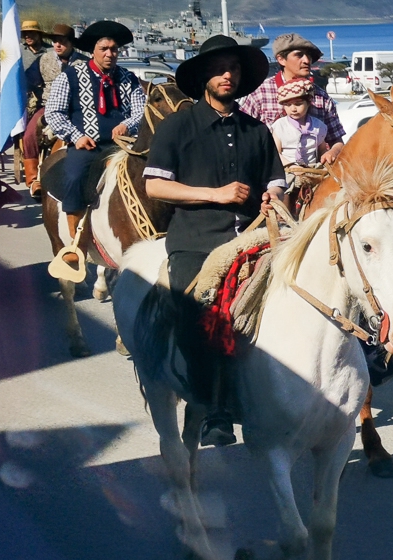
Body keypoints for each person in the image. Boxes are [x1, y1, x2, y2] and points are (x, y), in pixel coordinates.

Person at [144, 35, 287, 445]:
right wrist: (215, 194)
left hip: (255, 237)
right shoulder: (178, 125)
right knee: (200, 317)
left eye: (235, 68)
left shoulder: (255, 129)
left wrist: (271, 196)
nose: (228, 74)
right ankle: (210, 406)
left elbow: (276, 183)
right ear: (204, 75)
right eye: (220, 68)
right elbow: (154, 187)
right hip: (197, 241)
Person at [44, 21, 146, 258]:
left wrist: (127, 124)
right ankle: (75, 244)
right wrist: (76, 136)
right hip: (87, 145)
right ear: (94, 51)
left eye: (114, 49)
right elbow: (54, 112)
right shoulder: (70, 76)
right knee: (74, 175)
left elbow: (141, 111)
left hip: (124, 145)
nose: (110, 54)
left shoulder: (128, 78)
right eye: (104, 49)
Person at [238, 33, 344, 166]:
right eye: (299, 55)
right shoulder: (260, 95)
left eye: (309, 56)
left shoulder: (322, 97)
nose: (306, 60)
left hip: (315, 176)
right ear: (281, 59)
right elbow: (241, 138)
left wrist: (332, 152)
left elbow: (337, 140)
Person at [21, 23, 86, 196]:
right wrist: (39, 94)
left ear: (71, 43)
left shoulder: (84, 63)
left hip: (77, 109)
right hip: (48, 106)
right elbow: (28, 81)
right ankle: (34, 180)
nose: (57, 45)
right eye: (55, 41)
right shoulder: (43, 59)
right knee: (29, 136)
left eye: (62, 41)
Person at [271, 79, 330, 169]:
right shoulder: (280, 126)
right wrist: (291, 166)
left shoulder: (318, 126)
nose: (293, 109)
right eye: (288, 105)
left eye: (298, 104)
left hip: (312, 168)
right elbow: (275, 153)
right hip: (287, 169)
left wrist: (325, 158)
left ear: (308, 103)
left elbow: (322, 149)